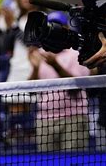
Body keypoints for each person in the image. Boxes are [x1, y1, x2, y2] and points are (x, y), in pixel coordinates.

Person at [28, 11, 90, 152]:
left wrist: (55, 65)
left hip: (73, 118)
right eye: (50, 27)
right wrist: (35, 68)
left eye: (58, 26)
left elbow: (77, 87)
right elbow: (31, 90)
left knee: (74, 161)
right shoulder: (39, 54)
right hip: (45, 120)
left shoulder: (76, 54)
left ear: (66, 29)